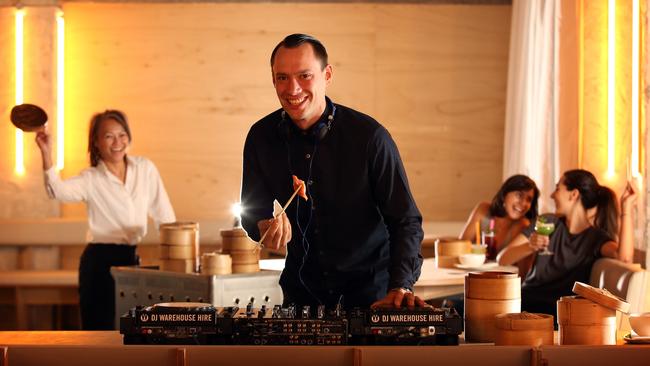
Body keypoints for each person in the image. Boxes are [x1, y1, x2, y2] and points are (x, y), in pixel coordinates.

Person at [240, 33, 426, 310]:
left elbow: (406, 221)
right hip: (301, 297)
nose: (292, 89)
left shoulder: (370, 137)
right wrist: (263, 226)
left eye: (304, 76)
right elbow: (252, 212)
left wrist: (401, 285)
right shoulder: (260, 137)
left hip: (373, 295)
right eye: (282, 78)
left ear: (326, 75)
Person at [35, 110, 176, 330]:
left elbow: (165, 215)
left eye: (122, 134)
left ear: (129, 137)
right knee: (97, 332)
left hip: (130, 260)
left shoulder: (145, 169)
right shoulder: (90, 178)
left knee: (131, 332)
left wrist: (176, 253)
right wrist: (46, 153)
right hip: (98, 263)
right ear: (97, 142)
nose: (117, 142)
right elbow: (57, 191)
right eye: (109, 136)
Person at [498, 169, 636, 319]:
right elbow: (502, 259)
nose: (552, 195)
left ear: (574, 194)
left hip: (556, 315)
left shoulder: (595, 238)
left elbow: (624, 258)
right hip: (522, 304)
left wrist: (626, 208)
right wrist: (530, 246)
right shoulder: (548, 222)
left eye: (558, 188)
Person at [459, 174, 539, 276]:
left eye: (529, 199)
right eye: (519, 195)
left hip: (498, 283)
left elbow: (522, 273)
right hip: (468, 274)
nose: (523, 203)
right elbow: (461, 246)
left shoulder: (523, 226)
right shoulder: (483, 210)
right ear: (504, 194)